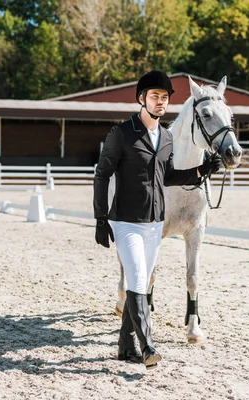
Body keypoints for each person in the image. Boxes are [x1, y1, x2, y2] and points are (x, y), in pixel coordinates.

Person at [93, 70, 223, 370]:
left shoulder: (165, 137)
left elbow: (171, 176)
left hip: (153, 222)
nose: (160, 102)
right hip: (126, 221)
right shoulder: (121, 134)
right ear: (141, 99)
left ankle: (125, 345)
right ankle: (148, 346)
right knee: (139, 280)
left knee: (140, 279)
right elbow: (102, 175)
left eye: (164, 98)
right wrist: (101, 218)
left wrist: (204, 170)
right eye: (155, 96)